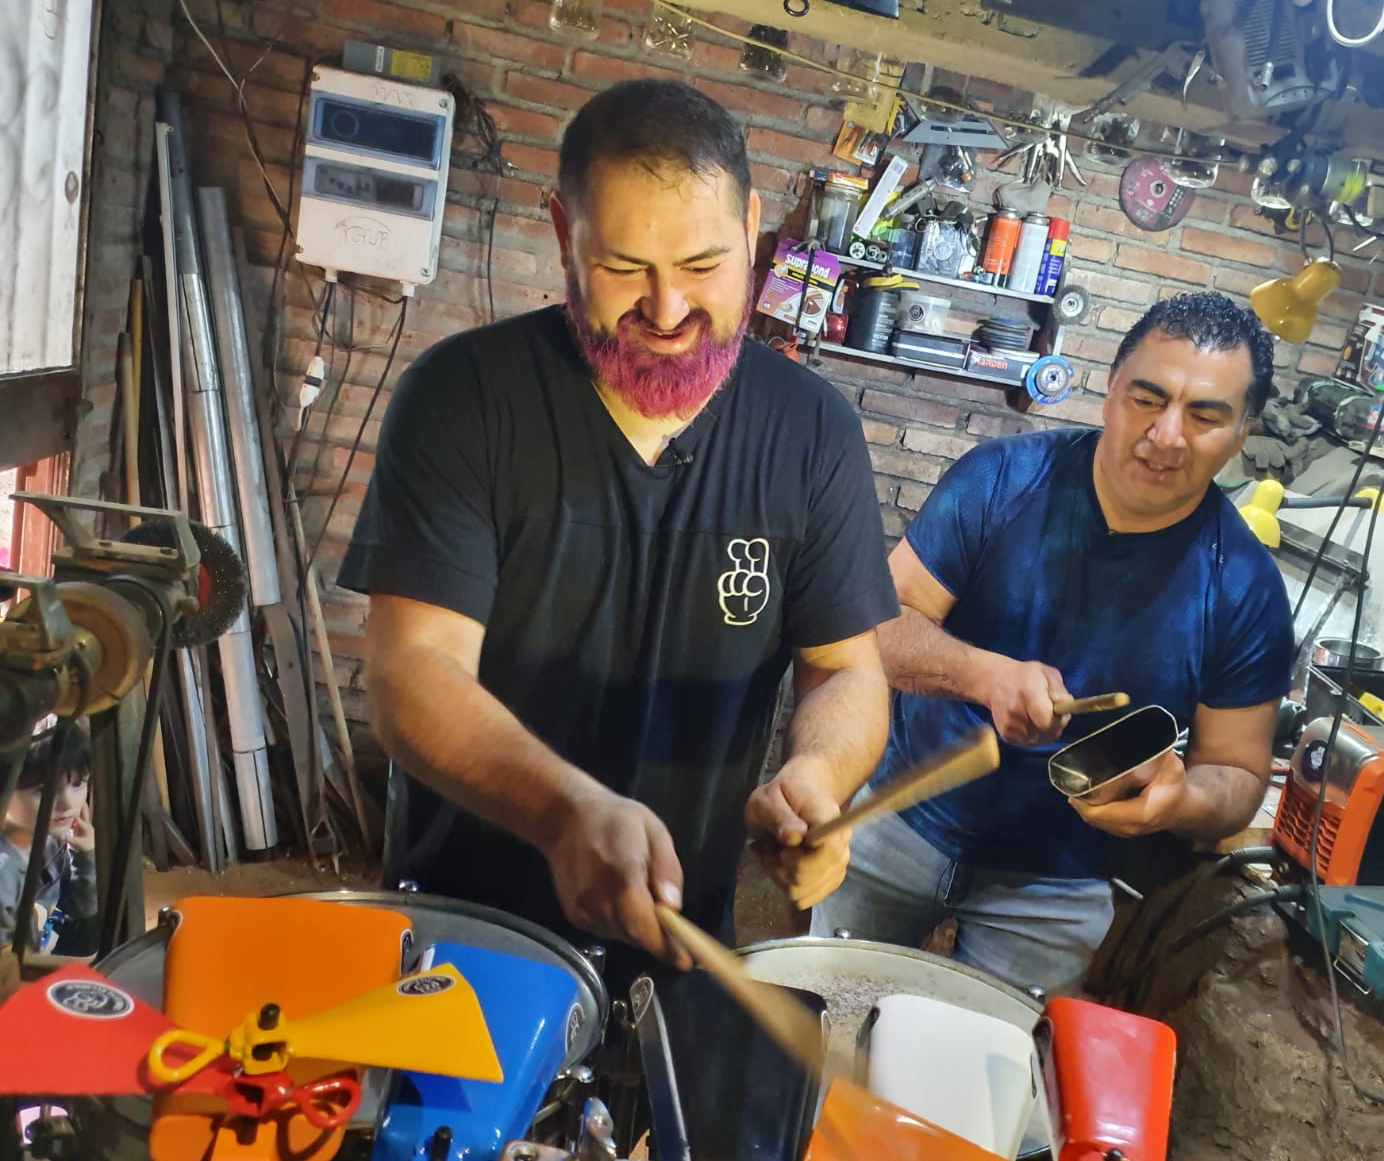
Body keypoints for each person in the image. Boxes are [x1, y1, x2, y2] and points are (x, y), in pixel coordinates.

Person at [338, 79, 897, 978]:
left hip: (681, 932)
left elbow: (845, 667)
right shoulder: (463, 398)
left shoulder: (813, 430)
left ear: (754, 227)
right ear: (564, 234)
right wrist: (564, 811)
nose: (669, 312)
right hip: (466, 920)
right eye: (627, 268)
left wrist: (818, 778)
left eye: (705, 265)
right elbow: (412, 672)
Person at [811, 291, 1295, 993]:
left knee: (991, 1084)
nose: (1166, 435)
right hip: (899, 815)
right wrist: (979, 674)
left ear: (1244, 429)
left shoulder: (1245, 589)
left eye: (1205, 415)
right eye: (1147, 398)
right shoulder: (1002, 481)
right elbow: (877, 625)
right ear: (1110, 388)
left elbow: (1240, 775)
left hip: (1057, 886)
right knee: (825, 1021)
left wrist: (1179, 802)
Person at [1, 718, 97, 955]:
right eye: (45, 790)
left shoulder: (51, 838)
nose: (67, 803)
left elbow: (78, 910)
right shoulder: (4, 873)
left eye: (78, 783)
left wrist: (84, 857)